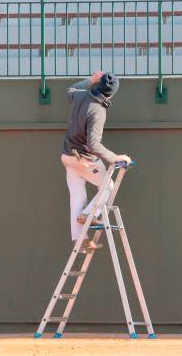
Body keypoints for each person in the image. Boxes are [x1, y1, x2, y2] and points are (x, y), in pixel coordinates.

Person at [61, 71, 131, 250]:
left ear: (98, 86)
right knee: (108, 187)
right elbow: (93, 145)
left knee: (78, 198)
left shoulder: (81, 95)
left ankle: (80, 240)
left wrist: (91, 79)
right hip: (85, 160)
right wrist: (115, 158)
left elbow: (71, 89)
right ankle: (89, 216)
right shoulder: (98, 111)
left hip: (68, 156)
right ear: (111, 94)